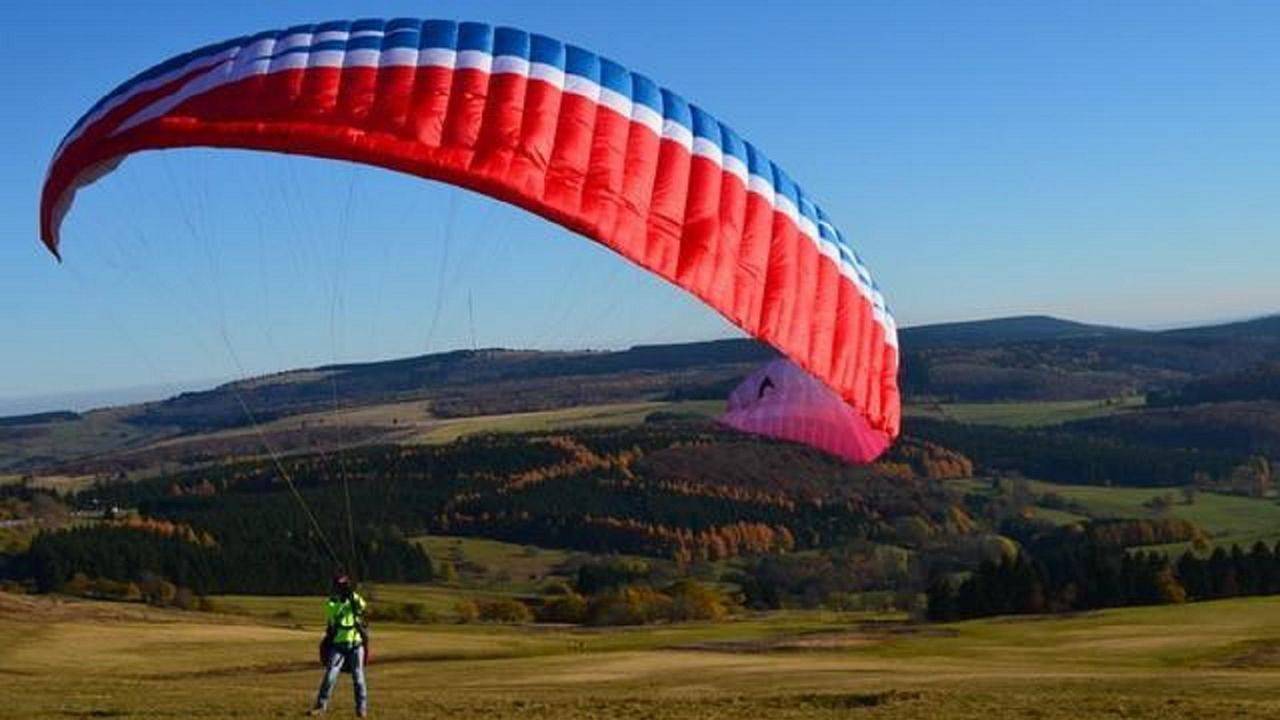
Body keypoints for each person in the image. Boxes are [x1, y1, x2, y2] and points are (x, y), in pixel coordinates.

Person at [309, 573, 369, 717]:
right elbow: (333, 615)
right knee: (330, 676)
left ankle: (361, 709)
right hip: (338, 644)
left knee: (359, 678)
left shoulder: (353, 598)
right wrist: (344, 600)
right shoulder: (332, 602)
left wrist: (352, 595)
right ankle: (320, 707)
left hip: (355, 643)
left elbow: (363, 606)